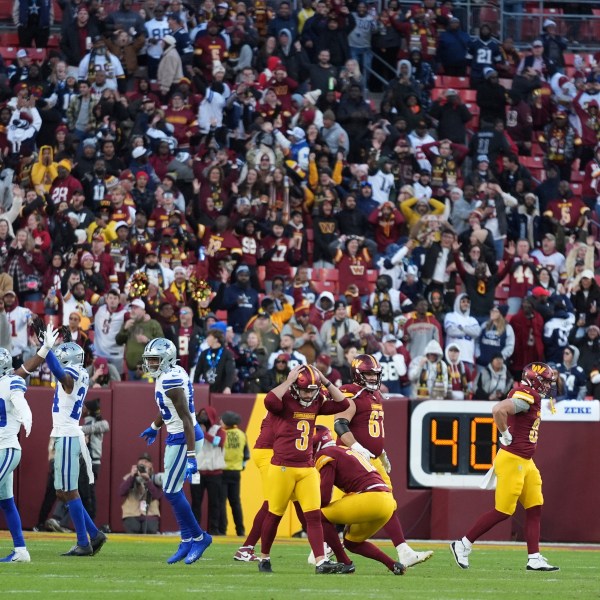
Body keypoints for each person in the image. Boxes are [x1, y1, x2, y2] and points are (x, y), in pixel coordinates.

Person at [450, 362, 560, 572]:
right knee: (503, 511)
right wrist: (504, 434)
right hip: (512, 460)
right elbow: (498, 409)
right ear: (534, 379)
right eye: (544, 381)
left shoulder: (531, 395)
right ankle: (462, 544)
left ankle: (534, 558)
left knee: (535, 506)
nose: (547, 385)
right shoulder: (526, 396)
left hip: (526, 461)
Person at [335, 354, 433, 567]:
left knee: (387, 502)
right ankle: (328, 543)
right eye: (368, 373)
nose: (372, 377)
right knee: (380, 501)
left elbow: (373, 429)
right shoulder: (351, 391)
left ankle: (401, 550)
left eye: (374, 374)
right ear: (358, 374)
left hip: (372, 457)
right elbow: (340, 424)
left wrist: (381, 452)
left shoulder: (375, 395)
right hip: (353, 456)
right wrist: (356, 447)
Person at [257, 365, 350, 574]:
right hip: (282, 466)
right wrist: (289, 380)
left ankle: (320, 562)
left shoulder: (316, 401)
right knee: (275, 514)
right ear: (296, 388)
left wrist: (325, 380)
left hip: (306, 467)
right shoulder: (285, 401)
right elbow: (269, 401)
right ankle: (264, 557)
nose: (309, 394)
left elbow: (342, 403)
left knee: (313, 516)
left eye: (312, 390)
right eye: (305, 390)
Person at [139, 338, 211, 564]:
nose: (150, 364)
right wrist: (154, 427)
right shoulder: (169, 373)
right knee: (173, 490)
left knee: (170, 491)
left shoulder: (171, 380)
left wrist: (191, 457)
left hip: (184, 438)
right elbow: (166, 408)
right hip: (176, 436)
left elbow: (188, 419)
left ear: (167, 359)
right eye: (149, 359)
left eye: (154, 360)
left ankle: (199, 537)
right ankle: (187, 540)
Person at [0, 323, 60, 562]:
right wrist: (44, 349)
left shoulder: (10, 382)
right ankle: (21, 551)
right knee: (6, 501)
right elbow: (28, 367)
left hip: (6, 449)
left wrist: (27, 416)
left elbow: (20, 394)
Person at [43, 337, 108, 556]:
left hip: (69, 435)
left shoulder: (73, 374)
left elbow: (61, 375)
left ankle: (84, 541)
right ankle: (93, 534)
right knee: (62, 491)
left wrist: (46, 350)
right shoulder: (79, 372)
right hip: (64, 434)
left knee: (69, 491)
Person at [313, 425, 406, 575]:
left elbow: (324, 497)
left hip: (370, 497)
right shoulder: (344, 450)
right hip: (387, 502)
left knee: (317, 516)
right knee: (352, 542)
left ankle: (344, 562)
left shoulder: (325, 454)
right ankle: (393, 564)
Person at [219, 411, 249, 537]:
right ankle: (240, 530)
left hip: (222, 471)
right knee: (235, 502)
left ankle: (222, 530)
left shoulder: (222, 434)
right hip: (236, 472)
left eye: (222, 420)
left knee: (221, 502)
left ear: (226, 422)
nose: (220, 422)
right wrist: (240, 467)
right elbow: (246, 455)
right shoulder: (242, 434)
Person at [119, 454, 162, 534]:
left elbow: (157, 495)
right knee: (133, 528)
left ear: (151, 466)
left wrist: (148, 481)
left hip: (150, 513)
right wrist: (132, 476)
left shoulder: (156, 479)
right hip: (131, 513)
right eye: (141, 462)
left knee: (150, 529)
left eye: (146, 462)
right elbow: (121, 492)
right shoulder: (129, 477)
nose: (144, 464)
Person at [193, 328, 236, 392]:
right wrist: (195, 386)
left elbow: (230, 372)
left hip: (221, 389)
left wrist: (228, 387)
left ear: (216, 339)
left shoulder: (227, 353)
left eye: (209, 337)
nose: (206, 339)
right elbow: (198, 371)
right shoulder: (204, 353)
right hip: (206, 389)